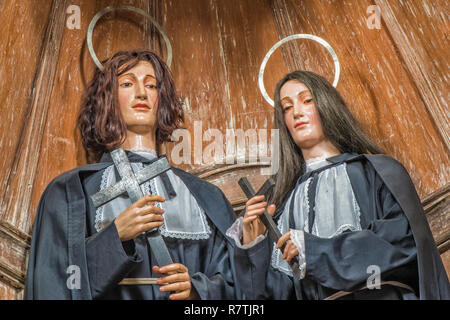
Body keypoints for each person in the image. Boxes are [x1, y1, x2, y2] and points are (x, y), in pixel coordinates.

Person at [25, 50, 240, 300]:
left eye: (152, 85)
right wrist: (115, 237)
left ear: (163, 99)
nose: (142, 93)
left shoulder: (206, 197)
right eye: (127, 83)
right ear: (107, 99)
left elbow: (241, 287)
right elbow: (52, 284)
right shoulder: (71, 192)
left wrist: (197, 290)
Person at [226, 70, 450, 300]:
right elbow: (280, 293)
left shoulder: (377, 172)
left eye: (307, 100)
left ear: (327, 104)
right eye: (287, 108)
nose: (297, 113)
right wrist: (254, 248)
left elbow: (401, 243)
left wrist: (314, 250)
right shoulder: (284, 202)